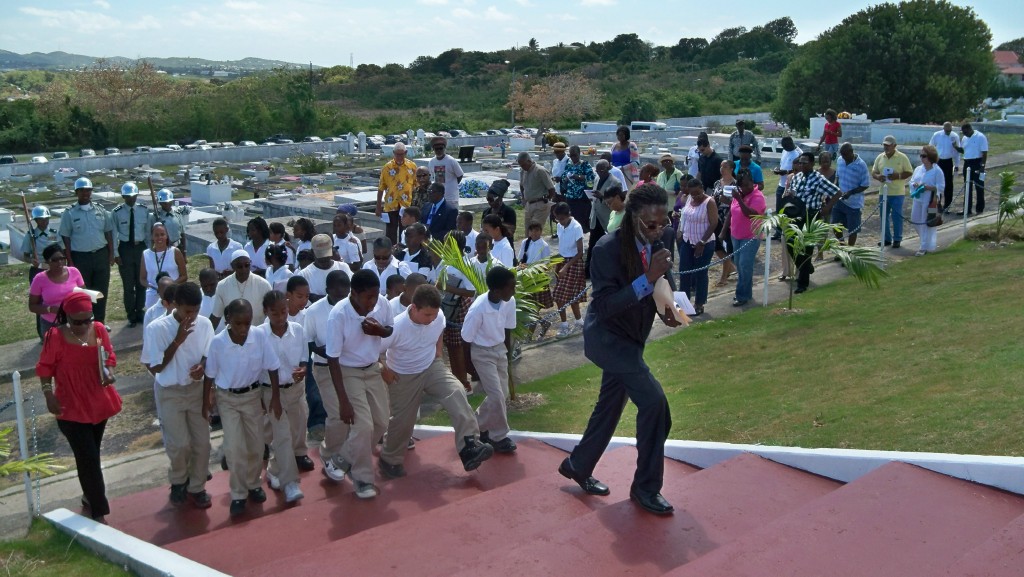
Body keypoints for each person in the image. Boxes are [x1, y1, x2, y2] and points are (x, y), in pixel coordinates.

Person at [560, 182, 680, 516]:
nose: (660, 229)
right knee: (655, 405)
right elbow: (607, 305)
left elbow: (663, 285)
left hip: (632, 339)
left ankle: (578, 465)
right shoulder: (607, 249)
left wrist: (668, 311)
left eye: (665, 221)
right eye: (652, 224)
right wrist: (648, 277)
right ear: (633, 218)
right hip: (608, 339)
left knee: (610, 406)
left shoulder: (661, 239)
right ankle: (646, 488)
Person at [378, 285, 494, 478]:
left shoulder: (438, 315)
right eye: (426, 315)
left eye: (433, 314)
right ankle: (389, 459)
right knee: (403, 421)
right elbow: (373, 352)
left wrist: (438, 353)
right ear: (414, 308)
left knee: (456, 391)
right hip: (403, 374)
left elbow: (439, 329)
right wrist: (385, 371)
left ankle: (469, 447)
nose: (431, 319)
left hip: (431, 366)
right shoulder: (396, 326)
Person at [37, 291, 121, 522]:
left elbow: (109, 357)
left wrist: (109, 372)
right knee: (88, 458)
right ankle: (99, 510)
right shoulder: (55, 336)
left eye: (88, 319)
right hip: (70, 407)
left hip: (98, 403)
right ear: (66, 317)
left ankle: (89, 496)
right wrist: (47, 395)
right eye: (78, 321)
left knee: (91, 454)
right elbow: (45, 368)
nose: (84, 325)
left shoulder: (100, 330)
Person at [203, 298, 282, 517]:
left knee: (256, 445)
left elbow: (273, 367)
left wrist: (274, 397)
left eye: (247, 323)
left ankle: (253, 483)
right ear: (228, 320)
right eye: (238, 324)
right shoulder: (218, 343)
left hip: (252, 397)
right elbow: (209, 376)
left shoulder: (258, 336)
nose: (243, 328)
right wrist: (206, 404)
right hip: (227, 399)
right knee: (235, 448)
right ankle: (238, 493)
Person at [141, 281, 214, 509]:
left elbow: (209, 355)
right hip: (170, 391)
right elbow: (155, 367)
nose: (192, 316)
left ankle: (197, 486)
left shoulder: (204, 325)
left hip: (195, 389)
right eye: (187, 311)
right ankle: (179, 480)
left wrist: (202, 367)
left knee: (202, 442)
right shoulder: (157, 328)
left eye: (196, 310)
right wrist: (178, 340)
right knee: (179, 444)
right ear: (175, 305)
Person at [324, 269, 394, 499]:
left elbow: (390, 329)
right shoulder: (338, 315)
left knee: (382, 423)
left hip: (372, 369)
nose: (373, 302)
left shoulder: (381, 304)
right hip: (348, 371)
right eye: (368, 297)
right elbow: (332, 359)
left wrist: (378, 331)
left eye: (376, 296)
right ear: (354, 293)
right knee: (363, 426)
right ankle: (363, 479)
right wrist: (343, 400)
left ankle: (342, 458)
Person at [461, 266, 518, 454]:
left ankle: (476, 425)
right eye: (511, 287)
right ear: (496, 290)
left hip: (499, 350)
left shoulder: (509, 301)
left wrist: (507, 355)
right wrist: (470, 367)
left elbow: (508, 328)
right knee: (496, 395)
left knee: (501, 393)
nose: (514, 291)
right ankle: (499, 436)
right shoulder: (478, 308)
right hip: (482, 353)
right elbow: (466, 339)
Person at [258, 291, 307, 503]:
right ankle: (290, 483)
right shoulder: (259, 335)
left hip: (295, 390)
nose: (280, 317)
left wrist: (303, 370)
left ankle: (274, 468)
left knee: (296, 432)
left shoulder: (298, 330)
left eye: (284, 311)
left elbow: (305, 358)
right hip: (272, 392)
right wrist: (266, 398)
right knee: (282, 435)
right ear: (265, 312)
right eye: (275, 313)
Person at [303, 270, 349, 469]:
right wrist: (325, 351)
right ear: (327, 290)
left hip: (348, 367)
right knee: (336, 413)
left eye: (345, 289)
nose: (342, 293)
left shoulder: (352, 307)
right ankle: (329, 452)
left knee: (352, 413)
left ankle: (345, 451)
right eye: (336, 290)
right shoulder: (313, 311)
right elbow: (308, 341)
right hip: (324, 368)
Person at [59, 177, 114, 324]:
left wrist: (111, 254)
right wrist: (69, 261)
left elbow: (108, 232)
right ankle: (87, 322)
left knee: (101, 290)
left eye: (88, 190)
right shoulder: (69, 213)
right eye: (82, 190)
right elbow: (66, 238)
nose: (85, 193)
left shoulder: (100, 210)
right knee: (84, 292)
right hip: (80, 258)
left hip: (101, 255)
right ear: (76, 192)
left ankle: (100, 322)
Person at [788, 152, 841, 293]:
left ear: (812, 163)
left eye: (805, 162)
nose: (801, 165)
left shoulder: (818, 179)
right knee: (790, 243)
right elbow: (793, 193)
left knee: (806, 250)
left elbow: (837, 192)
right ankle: (806, 266)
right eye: (800, 162)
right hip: (797, 216)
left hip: (811, 216)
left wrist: (827, 208)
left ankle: (802, 284)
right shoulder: (797, 177)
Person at [437, 231, 477, 390]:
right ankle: (458, 380)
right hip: (448, 306)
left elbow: (471, 291)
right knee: (452, 347)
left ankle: (464, 383)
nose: (444, 246)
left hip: (460, 307)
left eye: (447, 243)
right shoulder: (448, 261)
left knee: (457, 347)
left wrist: (447, 287)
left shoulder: (464, 264)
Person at [677, 176, 718, 316]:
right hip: (687, 241)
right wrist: (681, 232)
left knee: (700, 274)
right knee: (684, 273)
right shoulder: (689, 199)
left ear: (702, 188)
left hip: (704, 243)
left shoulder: (709, 202)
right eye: (692, 194)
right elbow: (685, 217)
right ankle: (684, 303)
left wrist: (702, 242)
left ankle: (699, 303)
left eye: (697, 193)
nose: (695, 196)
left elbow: (713, 223)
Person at [726, 168, 767, 307]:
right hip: (736, 235)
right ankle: (746, 292)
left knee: (745, 265)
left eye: (748, 184)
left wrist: (739, 199)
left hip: (751, 236)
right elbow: (731, 213)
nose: (746, 188)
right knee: (739, 264)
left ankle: (742, 295)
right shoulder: (739, 195)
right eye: (743, 185)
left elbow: (750, 214)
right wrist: (723, 231)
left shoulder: (758, 197)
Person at [111, 182, 150, 327]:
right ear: (123, 197)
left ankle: (140, 311)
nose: (131, 199)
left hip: (140, 248)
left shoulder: (143, 210)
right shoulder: (117, 212)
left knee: (142, 282)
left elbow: (146, 232)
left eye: (133, 196)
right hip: (125, 249)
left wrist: (148, 250)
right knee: (128, 285)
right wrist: (115, 253)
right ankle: (131, 315)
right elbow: (114, 233)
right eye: (128, 196)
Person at [29, 245, 84, 339]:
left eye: (62, 258)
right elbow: (32, 306)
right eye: (54, 260)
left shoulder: (74, 272)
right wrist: (50, 309)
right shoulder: (39, 279)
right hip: (51, 324)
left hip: (74, 321)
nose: (60, 262)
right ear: (47, 262)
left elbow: (83, 294)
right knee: (55, 352)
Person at [209, 250, 273, 329]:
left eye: (247, 265)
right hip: (233, 336)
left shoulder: (263, 285)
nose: (244, 269)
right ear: (232, 266)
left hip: (258, 335)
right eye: (239, 266)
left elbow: (272, 313)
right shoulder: (222, 285)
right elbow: (216, 315)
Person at [551, 202, 587, 337]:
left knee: (559, 295)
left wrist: (566, 267)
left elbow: (580, 252)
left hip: (573, 263)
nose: (560, 222)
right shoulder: (560, 226)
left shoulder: (576, 227)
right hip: (562, 261)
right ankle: (579, 321)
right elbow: (562, 247)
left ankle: (564, 325)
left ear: (568, 215)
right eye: (557, 219)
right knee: (571, 295)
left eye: (561, 219)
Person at [872, 135, 914, 248]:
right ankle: (886, 238)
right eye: (884, 145)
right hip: (883, 192)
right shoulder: (880, 157)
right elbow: (874, 172)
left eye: (888, 145)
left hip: (897, 192)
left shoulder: (902, 157)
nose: (886, 147)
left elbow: (909, 172)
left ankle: (897, 238)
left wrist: (898, 176)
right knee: (883, 216)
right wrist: (878, 176)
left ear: (894, 146)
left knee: (896, 216)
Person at [376, 142, 417, 243]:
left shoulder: (412, 166)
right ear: (393, 153)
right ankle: (390, 252)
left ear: (405, 153)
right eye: (397, 154)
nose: (399, 157)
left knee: (406, 230)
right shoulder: (387, 167)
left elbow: (416, 185)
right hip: (391, 204)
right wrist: (378, 207)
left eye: (401, 154)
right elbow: (381, 187)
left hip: (406, 204)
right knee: (391, 231)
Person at [140, 223, 187, 308]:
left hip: (173, 294)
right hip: (154, 295)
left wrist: (169, 286)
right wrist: (153, 287)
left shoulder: (175, 252)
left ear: (166, 236)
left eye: (162, 234)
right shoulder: (146, 254)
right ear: (152, 237)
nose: (159, 237)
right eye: (156, 235)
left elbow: (184, 276)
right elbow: (142, 279)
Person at [909, 145, 944, 256]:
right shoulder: (919, 169)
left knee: (925, 221)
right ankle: (925, 240)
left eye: (924, 156)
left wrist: (928, 187)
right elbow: (911, 181)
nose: (922, 158)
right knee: (915, 219)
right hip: (918, 198)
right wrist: (915, 184)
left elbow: (940, 187)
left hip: (930, 200)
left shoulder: (937, 171)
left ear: (930, 157)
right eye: (921, 155)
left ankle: (923, 247)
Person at [834, 143, 871, 248]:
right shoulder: (840, 160)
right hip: (839, 200)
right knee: (835, 226)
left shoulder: (861, 165)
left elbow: (865, 185)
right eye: (842, 155)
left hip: (854, 203)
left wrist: (851, 192)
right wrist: (835, 190)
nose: (844, 158)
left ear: (851, 152)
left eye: (845, 155)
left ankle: (850, 250)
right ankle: (842, 246)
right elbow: (838, 177)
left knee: (852, 229)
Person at [587, 160, 618, 278]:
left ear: (608, 168)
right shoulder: (596, 179)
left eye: (602, 170)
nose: (599, 173)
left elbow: (616, 202)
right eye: (597, 170)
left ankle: (606, 271)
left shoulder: (614, 182)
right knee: (593, 245)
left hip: (606, 218)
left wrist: (602, 197)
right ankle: (589, 270)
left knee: (606, 246)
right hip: (595, 217)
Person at [300, 234, 352, 301]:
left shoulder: (343, 267)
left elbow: (350, 294)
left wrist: (315, 297)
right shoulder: (304, 275)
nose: (324, 258)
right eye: (320, 255)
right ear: (313, 252)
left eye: (326, 254)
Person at [711, 160, 738, 287]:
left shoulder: (735, 184)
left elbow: (738, 203)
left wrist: (726, 201)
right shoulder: (717, 183)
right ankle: (731, 268)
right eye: (721, 166)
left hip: (729, 219)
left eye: (725, 166)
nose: (722, 168)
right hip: (716, 217)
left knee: (725, 247)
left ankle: (724, 276)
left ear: (732, 169)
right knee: (717, 246)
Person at [954, 123, 988, 215]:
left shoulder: (980, 137)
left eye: (966, 132)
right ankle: (967, 209)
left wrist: (982, 166)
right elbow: (963, 150)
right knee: (967, 187)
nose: (965, 134)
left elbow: (984, 153)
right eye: (963, 133)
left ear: (970, 129)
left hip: (977, 162)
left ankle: (979, 209)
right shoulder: (965, 138)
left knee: (979, 187)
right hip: (967, 163)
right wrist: (956, 147)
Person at [561, 145, 596, 232]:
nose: (573, 157)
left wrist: (578, 177)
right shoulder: (568, 165)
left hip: (581, 198)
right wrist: (565, 179)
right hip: (570, 197)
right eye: (571, 155)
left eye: (575, 155)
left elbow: (591, 178)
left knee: (582, 222)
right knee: (571, 220)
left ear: (579, 154)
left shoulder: (584, 164)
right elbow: (564, 176)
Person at [518, 152, 556, 229]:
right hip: (529, 204)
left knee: (535, 231)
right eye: (520, 165)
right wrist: (523, 198)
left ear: (529, 161)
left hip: (540, 204)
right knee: (528, 232)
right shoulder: (523, 171)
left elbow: (551, 188)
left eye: (523, 165)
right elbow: (521, 185)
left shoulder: (540, 171)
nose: (522, 167)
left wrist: (546, 200)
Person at [929, 122, 960, 212]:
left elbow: (957, 152)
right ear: (943, 129)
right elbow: (931, 147)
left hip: (948, 161)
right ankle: (936, 204)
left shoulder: (955, 136)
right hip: (938, 161)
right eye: (947, 130)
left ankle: (947, 205)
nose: (948, 132)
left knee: (948, 184)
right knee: (936, 183)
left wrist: (957, 165)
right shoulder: (937, 135)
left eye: (949, 130)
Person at [428, 136, 465, 206]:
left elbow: (460, 175)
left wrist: (452, 185)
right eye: (436, 149)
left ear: (444, 148)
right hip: (438, 198)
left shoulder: (451, 161)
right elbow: (432, 178)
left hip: (451, 198)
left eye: (441, 148)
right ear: (433, 149)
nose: (439, 151)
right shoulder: (431, 162)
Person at [773, 136, 802, 221]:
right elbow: (783, 164)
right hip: (781, 184)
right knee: (779, 210)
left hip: (793, 186)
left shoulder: (799, 153)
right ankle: (778, 232)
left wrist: (785, 172)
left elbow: (800, 171)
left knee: (790, 211)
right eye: (783, 147)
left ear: (791, 143)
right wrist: (778, 169)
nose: (785, 148)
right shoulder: (784, 150)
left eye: (786, 146)